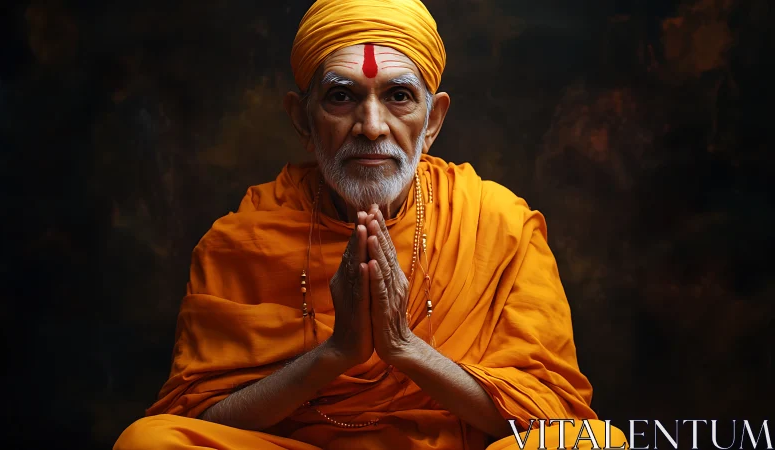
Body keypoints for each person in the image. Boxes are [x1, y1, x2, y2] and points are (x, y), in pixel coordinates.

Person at [114, 0, 628, 448]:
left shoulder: (501, 225)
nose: (372, 125)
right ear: (302, 119)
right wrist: (336, 354)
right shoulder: (239, 241)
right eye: (342, 96)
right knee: (148, 442)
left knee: (595, 446)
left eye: (398, 96)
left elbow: (555, 418)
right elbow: (197, 420)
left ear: (433, 121)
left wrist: (404, 349)